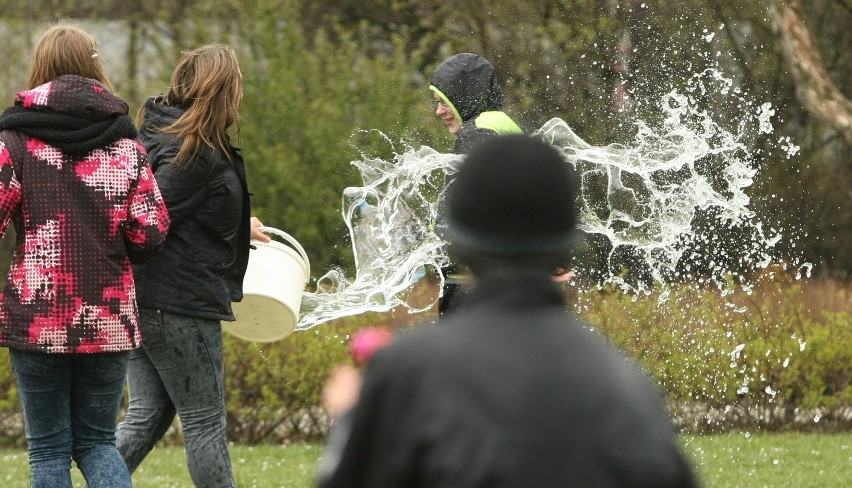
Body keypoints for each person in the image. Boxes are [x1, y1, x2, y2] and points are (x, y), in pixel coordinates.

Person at [317, 134, 699, 488]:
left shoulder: (410, 373)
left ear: (459, 244)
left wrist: (352, 419)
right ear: (564, 248)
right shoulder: (627, 386)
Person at [0, 24, 170, 488]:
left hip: (38, 318)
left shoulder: (13, 143)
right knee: (97, 443)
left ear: (41, 70)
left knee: (48, 450)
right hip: (108, 317)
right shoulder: (127, 147)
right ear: (96, 67)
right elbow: (152, 233)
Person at [114, 44, 269, 487]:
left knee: (147, 416)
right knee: (204, 423)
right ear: (224, 91)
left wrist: (243, 224)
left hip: (148, 299)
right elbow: (149, 216)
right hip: (177, 303)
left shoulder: (166, 135)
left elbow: (176, 214)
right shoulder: (195, 152)